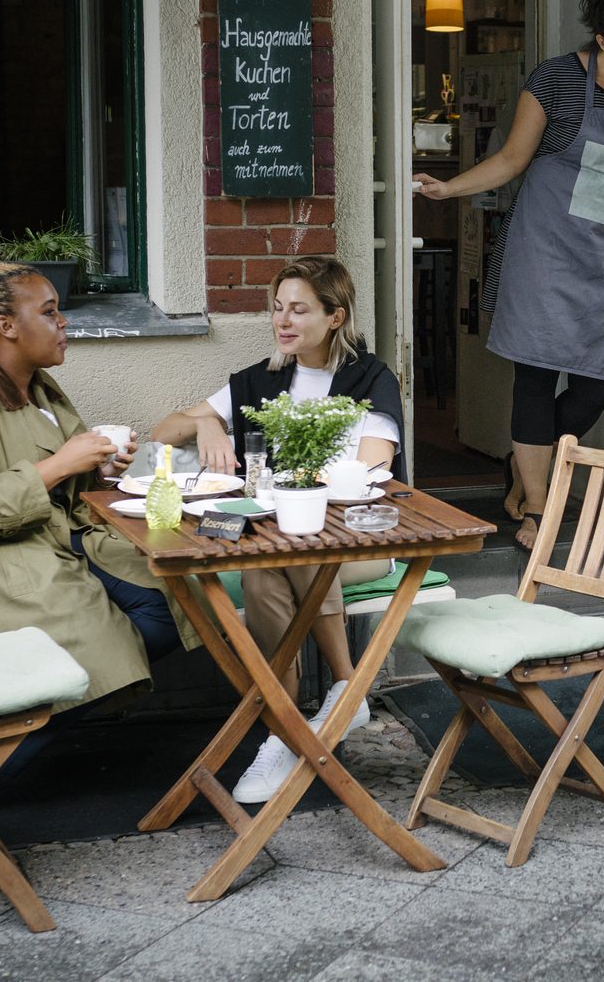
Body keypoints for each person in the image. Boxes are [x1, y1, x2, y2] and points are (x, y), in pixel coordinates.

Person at [414, 0, 604, 551]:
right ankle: (538, 510)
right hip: (546, 250)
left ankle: (523, 457)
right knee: (534, 377)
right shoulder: (555, 79)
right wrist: (448, 190)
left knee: (598, 384)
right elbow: (511, 159)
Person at [0, 255, 195, 723]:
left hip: (53, 540)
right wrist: (57, 466)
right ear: (6, 326)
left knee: (176, 598)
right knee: (99, 636)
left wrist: (101, 470)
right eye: (50, 311)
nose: (63, 322)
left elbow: (64, 483)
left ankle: (56, 698)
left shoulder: (40, 387)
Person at [151, 256, 403, 804]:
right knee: (268, 567)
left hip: (360, 539)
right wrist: (204, 422)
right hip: (277, 544)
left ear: (335, 317)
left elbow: (374, 466)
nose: (282, 321)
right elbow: (163, 430)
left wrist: (300, 490)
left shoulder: (369, 378)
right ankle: (298, 723)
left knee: (290, 540)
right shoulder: (261, 381)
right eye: (277, 308)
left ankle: (326, 696)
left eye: (298, 309)